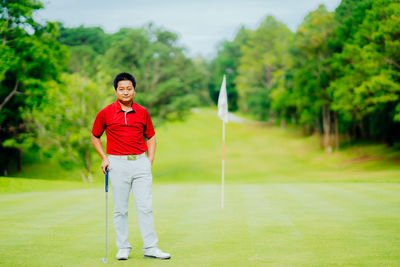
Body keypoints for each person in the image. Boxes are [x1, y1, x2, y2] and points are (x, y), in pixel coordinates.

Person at [91, 72, 170, 260]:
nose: (126, 92)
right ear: (116, 91)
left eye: (129, 89)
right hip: (117, 164)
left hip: (140, 162)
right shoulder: (105, 113)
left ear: (134, 90)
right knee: (120, 209)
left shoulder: (142, 112)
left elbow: (151, 136)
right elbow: (95, 136)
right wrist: (104, 157)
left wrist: (149, 160)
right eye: (121, 89)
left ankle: (150, 247)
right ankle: (123, 247)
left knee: (145, 207)